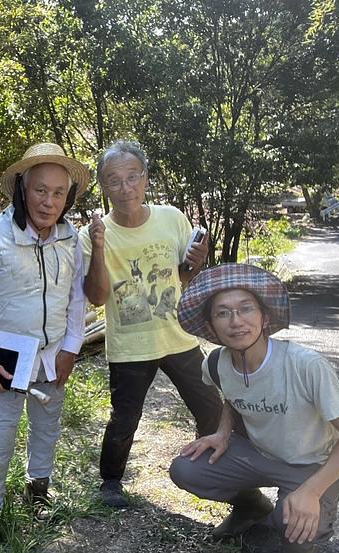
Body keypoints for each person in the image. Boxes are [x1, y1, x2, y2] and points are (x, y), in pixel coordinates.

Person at [170, 263, 339, 553]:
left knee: (296, 539)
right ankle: (252, 507)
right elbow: (233, 396)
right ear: (211, 327)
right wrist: (223, 432)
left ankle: (297, 524)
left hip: (313, 463)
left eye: (246, 309)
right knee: (186, 469)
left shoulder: (305, 365)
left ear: (264, 318)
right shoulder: (215, 364)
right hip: (259, 453)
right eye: (223, 313)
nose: (236, 321)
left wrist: (311, 491)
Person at [80, 140, 223, 508]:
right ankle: (111, 482)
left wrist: (195, 262)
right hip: (130, 345)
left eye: (132, 177)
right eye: (114, 181)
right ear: (104, 187)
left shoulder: (172, 218)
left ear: (145, 179)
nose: (125, 188)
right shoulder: (92, 234)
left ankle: (210, 465)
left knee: (211, 406)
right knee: (125, 417)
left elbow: (183, 276)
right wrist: (99, 248)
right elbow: (97, 296)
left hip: (178, 335)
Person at [0, 142, 87, 551]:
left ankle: (38, 490)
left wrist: (71, 347)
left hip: (53, 354)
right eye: (40, 190)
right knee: (0, 431)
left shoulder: (70, 239)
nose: (48, 202)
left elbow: (76, 298)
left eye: (58, 193)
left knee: (47, 423)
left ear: (67, 198)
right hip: (7, 354)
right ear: (22, 189)